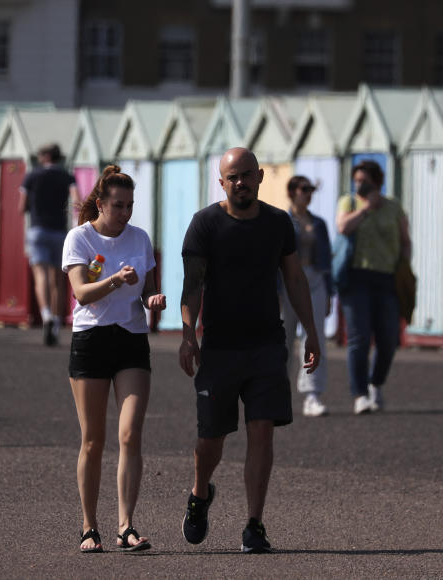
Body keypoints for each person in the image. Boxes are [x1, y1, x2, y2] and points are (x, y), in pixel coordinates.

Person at [179, 147, 320, 554]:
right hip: (220, 347)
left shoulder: (278, 223)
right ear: (220, 182)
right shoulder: (205, 223)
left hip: (266, 345)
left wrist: (311, 332)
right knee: (213, 438)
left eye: (246, 175)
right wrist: (189, 335)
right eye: (231, 177)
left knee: (262, 431)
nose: (239, 182)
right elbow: (193, 285)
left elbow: (294, 279)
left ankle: (254, 524)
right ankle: (200, 492)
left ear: (260, 177)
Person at [62, 165, 166, 553]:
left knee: (130, 433)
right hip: (90, 340)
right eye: (118, 205)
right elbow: (81, 294)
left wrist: (153, 299)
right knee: (93, 440)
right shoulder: (80, 239)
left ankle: (126, 526)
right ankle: (89, 526)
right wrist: (114, 280)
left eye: (131, 205)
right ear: (101, 205)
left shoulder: (139, 239)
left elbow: (148, 291)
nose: (125, 213)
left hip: (131, 341)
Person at [336, 160, 411, 415]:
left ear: (377, 181)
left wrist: (405, 265)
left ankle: (375, 383)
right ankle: (359, 394)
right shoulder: (350, 203)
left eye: (364, 180)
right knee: (358, 338)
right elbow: (343, 227)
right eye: (356, 180)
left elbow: (405, 240)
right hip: (356, 277)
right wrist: (366, 208)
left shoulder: (393, 207)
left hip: (386, 278)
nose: (359, 185)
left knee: (389, 338)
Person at [280, 175, 333, 417]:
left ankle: (313, 395)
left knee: (315, 337)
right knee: (285, 339)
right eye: (304, 189)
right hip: (289, 283)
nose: (308, 193)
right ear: (292, 192)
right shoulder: (282, 221)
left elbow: (327, 261)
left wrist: (330, 292)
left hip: (315, 281)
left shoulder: (319, 224)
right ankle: (278, 392)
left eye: (311, 189)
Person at [20, 143, 80, 346]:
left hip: (38, 229)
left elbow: (22, 206)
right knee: (58, 279)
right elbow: (77, 201)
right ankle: (55, 322)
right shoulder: (67, 177)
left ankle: (45, 314)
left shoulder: (32, 176)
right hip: (59, 232)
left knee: (40, 275)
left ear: (44, 157)